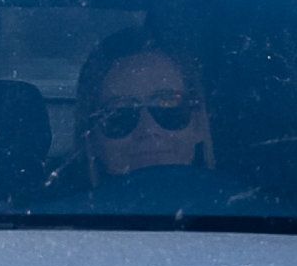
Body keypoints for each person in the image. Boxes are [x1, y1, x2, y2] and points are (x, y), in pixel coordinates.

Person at [80, 36, 215, 184]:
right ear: (92, 138)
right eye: (120, 113)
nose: (148, 130)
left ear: (198, 124)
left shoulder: (239, 205)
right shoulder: (61, 208)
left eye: (168, 105)